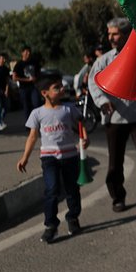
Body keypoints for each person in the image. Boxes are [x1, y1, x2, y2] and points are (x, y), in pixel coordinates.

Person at [88, 17, 136, 215]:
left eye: (115, 34)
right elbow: (93, 83)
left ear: (126, 34)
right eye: (109, 34)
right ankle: (117, 197)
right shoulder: (103, 61)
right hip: (115, 119)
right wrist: (102, 102)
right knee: (115, 161)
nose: (111, 38)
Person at [16, 76, 87, 243]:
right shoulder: (37, 113)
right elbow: (32, 137)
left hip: (70, 156)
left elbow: (80, 124)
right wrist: (24, 158)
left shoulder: (69, 109)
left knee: (72, 189)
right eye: (57, 87)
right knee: (51, 190)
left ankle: (73, 218)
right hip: (49, 158)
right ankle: (51, 226)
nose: (62, 89)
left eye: (62, 87)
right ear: (45, 93)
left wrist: (84, 138)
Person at [12, 45, 43, 123]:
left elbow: (39, 73)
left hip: (33, 87)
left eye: (29, 51)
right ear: (22, 53)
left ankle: (37, 121)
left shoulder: (34, 62)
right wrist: (27, 80)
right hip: (23, 88)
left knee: (36, 103)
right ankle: (29, 123)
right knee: (26, 106)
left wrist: (37, 79)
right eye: (26, 52)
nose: (28, 53)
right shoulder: (19, 64)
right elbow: (14, 78)